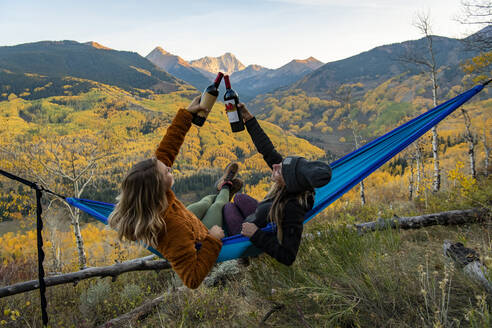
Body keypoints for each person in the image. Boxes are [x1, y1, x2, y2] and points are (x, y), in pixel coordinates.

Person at [108, 96, 242, 289]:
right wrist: (213, 239)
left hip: (184, 218)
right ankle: (226, 187)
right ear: (157, 189)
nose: (169, 168)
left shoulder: (144, 200)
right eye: (167, 172)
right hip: (199, 235)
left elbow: (167, 149)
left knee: (205, 202)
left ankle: (221, 187)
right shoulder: (174, 231)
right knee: (219, 205)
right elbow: (192, 279)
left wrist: (187, 114)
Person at [223, 103, 332, 266]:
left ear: (288, 182)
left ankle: (224, 188)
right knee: (238, 198)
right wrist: (248, 119)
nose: (275, 166)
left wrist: (255, 234)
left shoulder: (293, 208)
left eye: (279, 170)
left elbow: (288, 256)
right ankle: (225, 187)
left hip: (250, 235)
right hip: (264, 215)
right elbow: (267, 150)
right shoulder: (294, 183)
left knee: (227, 208)